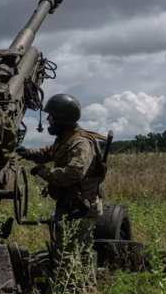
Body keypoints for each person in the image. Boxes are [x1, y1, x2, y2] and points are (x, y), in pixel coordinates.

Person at [16, 93, 106, 261]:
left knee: (68, 256)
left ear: (62, 119)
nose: (48, 118)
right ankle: (85, 287)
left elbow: (73, 174)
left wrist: (43, 172)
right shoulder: (66, 138)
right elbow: (50, 152)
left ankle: (73, 287)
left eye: (51, 115)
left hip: (81, 208)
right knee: (78, 254)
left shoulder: (80, 143)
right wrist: (29, 153)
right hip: (72, 205)